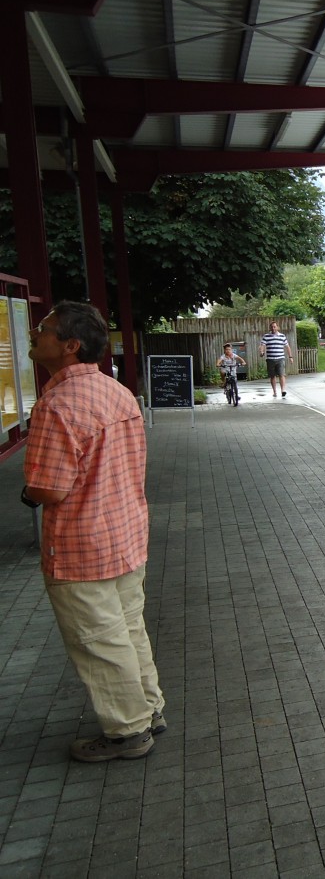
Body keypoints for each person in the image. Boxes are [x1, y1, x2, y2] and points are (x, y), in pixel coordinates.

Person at [21, 301, 166, 762]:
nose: (34, 334)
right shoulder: (116, 391)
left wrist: (29, 490)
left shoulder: (56, 405)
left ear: (69, 345)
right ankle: (149, 709)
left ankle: (128, 732)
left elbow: (49, 488)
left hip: (81, 546)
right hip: (125, 534)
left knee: (99, 641)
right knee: (128, 628)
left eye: (44, 329)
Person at [259, 320, 293, 397]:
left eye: (274, 327)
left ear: (277, 327)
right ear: (270, 328)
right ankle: (274, 392)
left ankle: (283, 390)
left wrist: (290, 357)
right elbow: (262, 345)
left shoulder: (282, 336)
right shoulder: (266, 336)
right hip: (270, 359)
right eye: (272, 327)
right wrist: (261, 352)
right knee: (272, 376)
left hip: (280, 358)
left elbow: (287, 347)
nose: (273, 328)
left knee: (282, 374)